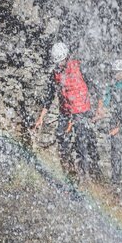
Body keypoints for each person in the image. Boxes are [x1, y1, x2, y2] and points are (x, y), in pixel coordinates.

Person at [34, 42, 101, 182]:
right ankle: (69, 170)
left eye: (61, 61)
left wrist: (99, 109)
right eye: (57, 63)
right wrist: (41, 118)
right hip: (65, 111)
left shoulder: (79, 67)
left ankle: (86, 176)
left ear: (66, 57)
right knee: (60, 136)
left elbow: (96, 87)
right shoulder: (55, 74)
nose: (59, 65)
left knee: (81, 141)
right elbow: (49, 97)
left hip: (81, 110)